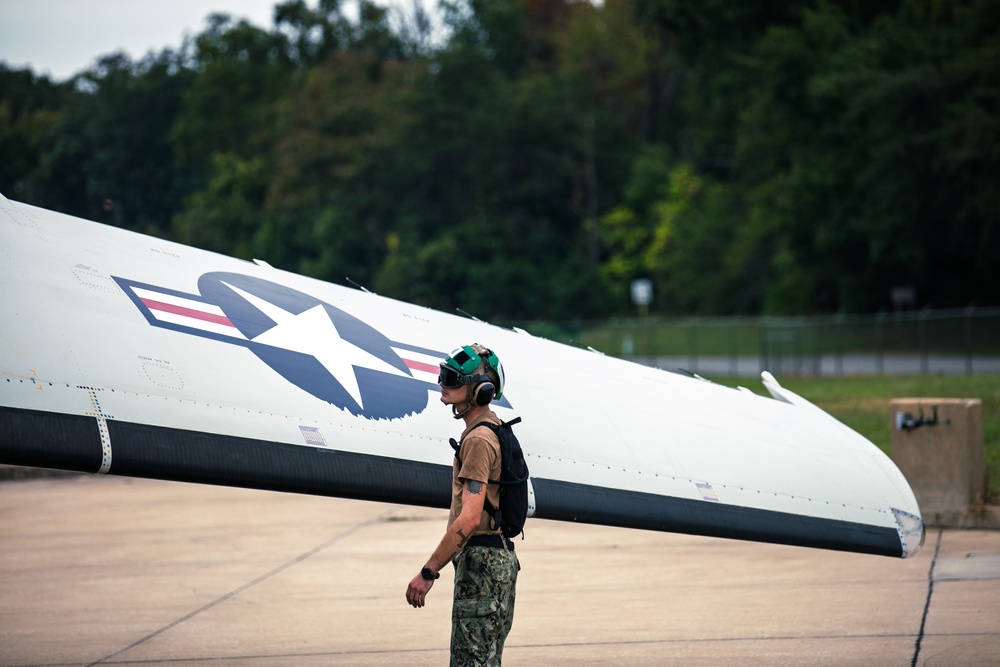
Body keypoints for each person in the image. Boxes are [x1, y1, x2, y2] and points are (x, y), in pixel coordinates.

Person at [405, 343, 520, 666]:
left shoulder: (479, 441)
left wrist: (428, 572)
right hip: (494, 562)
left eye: (453, 379)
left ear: (480, 391)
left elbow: (469, 519)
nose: (443, 384)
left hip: (482, 565)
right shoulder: (493, 429)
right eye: (443, 376)